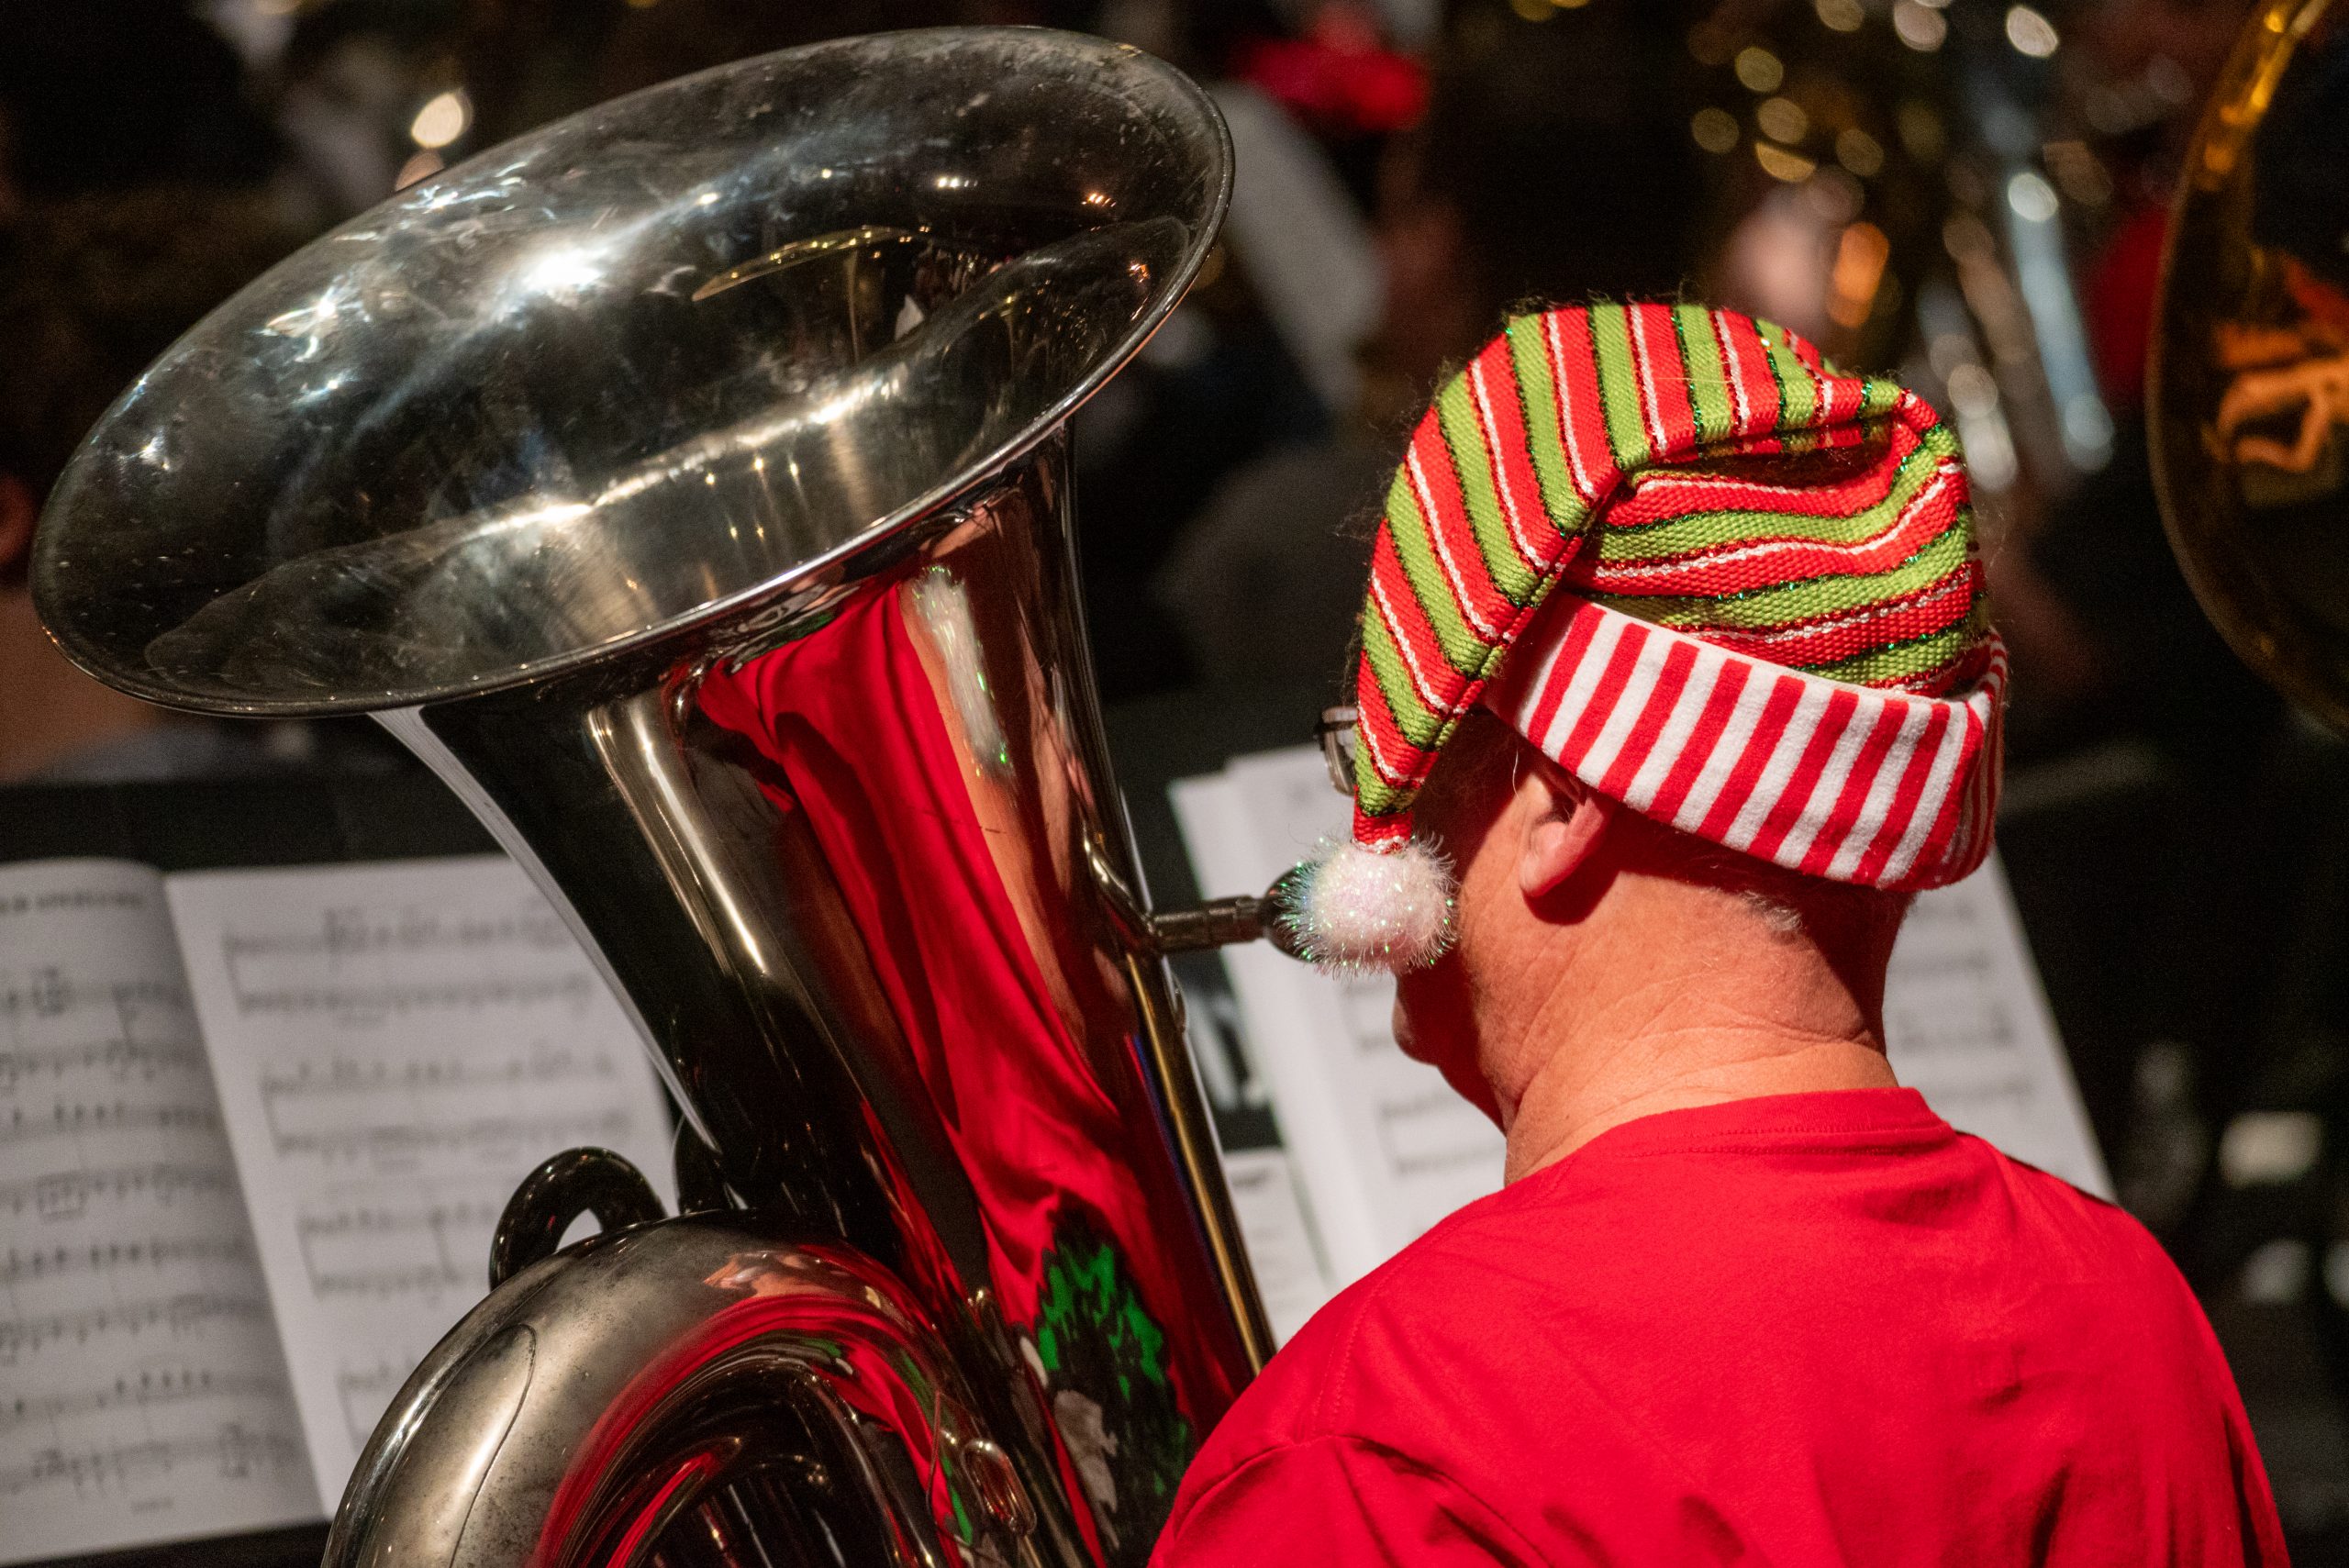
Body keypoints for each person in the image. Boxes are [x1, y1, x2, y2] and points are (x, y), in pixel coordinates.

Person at [1151, 301, 2287, 1564]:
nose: (1376, 806)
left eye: (1390, 743)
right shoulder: (2135, 1318)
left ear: (1563, 800)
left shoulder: (1374, 1457)